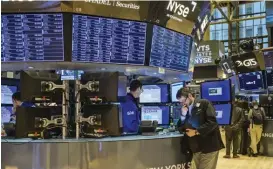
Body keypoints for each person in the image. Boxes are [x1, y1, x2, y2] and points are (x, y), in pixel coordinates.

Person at [176, 87, 224, 169]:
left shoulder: (204, 103)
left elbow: (212, 123)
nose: (183, 103)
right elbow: (180, 128)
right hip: (195, 147)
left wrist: (196, 132)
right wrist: (183, 115)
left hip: (209, 146)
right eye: (180, 102)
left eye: (184, 101)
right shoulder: (185, 109)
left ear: (190, 96)